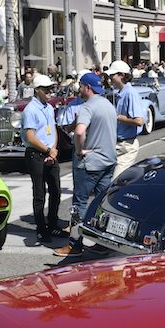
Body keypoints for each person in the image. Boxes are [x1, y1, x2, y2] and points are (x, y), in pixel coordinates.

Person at [54, 72, 117, 257]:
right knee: (102, 204)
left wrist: (80, 150)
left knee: (79, 204)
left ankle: (74, 245)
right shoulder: (108, 105)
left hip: (90, 163)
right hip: (109, 160)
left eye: (81, 86)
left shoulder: (87, 107)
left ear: (87, 87)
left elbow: (80, 132)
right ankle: (102, 242)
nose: (79, 89)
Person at [21, 74, 64, 243]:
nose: (49, 92)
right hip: (36, 154)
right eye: (46, 89)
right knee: (39, 194)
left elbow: (52, 130)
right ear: (37, 90)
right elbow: (30, 137)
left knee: (56, 191)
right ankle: (41, 228)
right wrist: (47, 150)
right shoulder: (30, 110)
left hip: (49, 152)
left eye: (51, 89)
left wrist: (52, 149)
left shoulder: (48, 107)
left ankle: (52, 224)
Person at [106, 60, 145, 178]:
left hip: (127, 145)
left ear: (121, 75)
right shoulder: (121, 93)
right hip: (117, 145)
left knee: (116, 181)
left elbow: (139, 121)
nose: (110, 78)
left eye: (112, 75)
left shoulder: (130, 93)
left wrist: (119, 117)